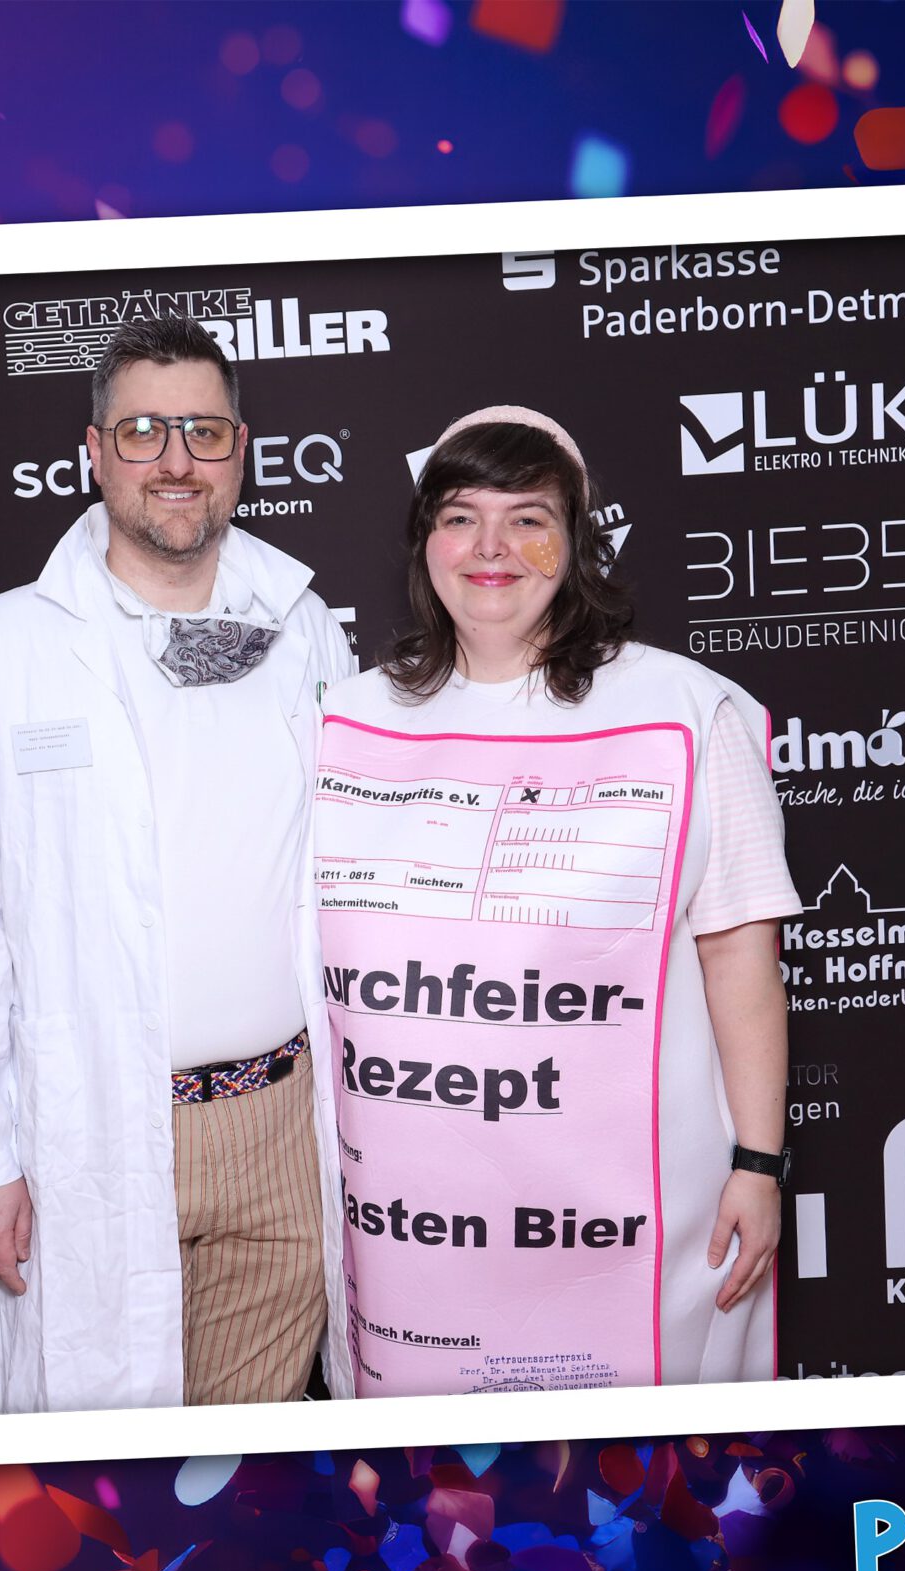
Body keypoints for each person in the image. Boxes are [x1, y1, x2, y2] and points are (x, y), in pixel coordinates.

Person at [0, 317, 354, 1414]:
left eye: (203, 431)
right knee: (107, 1481)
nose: (175, 460)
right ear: (96, 453)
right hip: (97, 1133)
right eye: (144, 431)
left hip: (282, 1130)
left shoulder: (303, 628)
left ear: (240, 451)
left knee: (248, 1475)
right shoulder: (0, 650)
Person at [315, 406, 798, 1398]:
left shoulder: (685, 712)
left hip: (633, 1224)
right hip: (418, 1233)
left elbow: (740, 957)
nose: (490, 547)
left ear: (574, 542)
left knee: (643, 1468)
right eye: (460, 517)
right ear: (425, 543)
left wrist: (759, 1161)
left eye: (527, 519)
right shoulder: (343, 720)